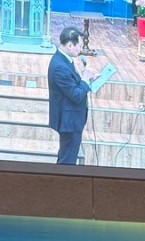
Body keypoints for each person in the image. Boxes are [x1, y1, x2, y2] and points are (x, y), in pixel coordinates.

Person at [48, 27, 94, 165]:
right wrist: (85, 80)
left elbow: (73, 85)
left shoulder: (65, 60)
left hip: (72, 120)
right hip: (68, 121)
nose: (81, 49)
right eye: (79, 46)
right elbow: (75, 95)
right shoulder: (60, 66)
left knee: (67, 157)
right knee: (67, 161)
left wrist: (88, 80)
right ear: (69, 45)